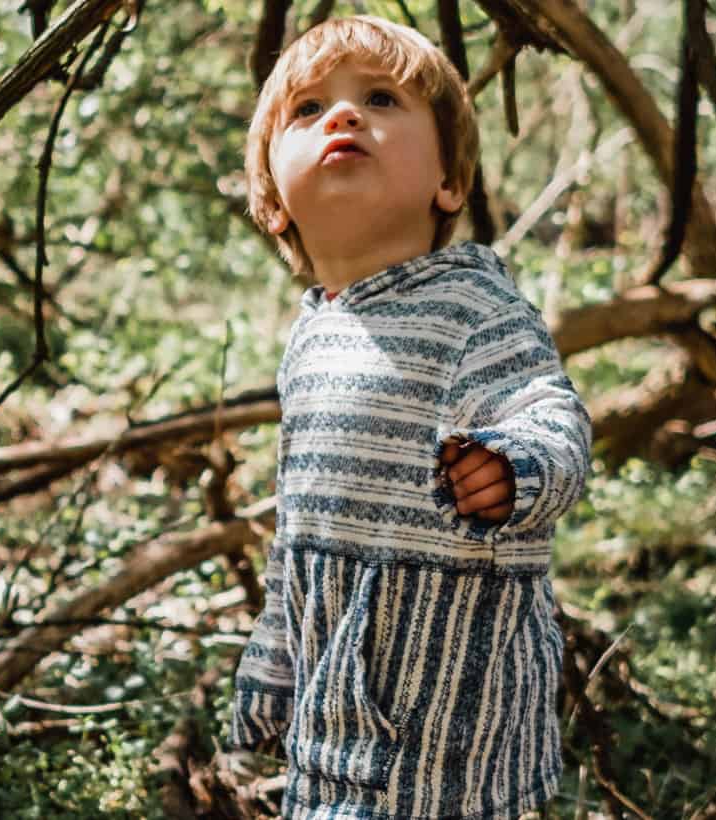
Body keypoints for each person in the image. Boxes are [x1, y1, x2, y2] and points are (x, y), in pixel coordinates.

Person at [226, 15, 592, 819]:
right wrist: (273, 658)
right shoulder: (312, 335)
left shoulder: (472, 304)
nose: (344, 117)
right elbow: (299, 530)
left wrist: (515, 466)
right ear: (272, 201)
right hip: (334, 726)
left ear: (449, 183)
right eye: (309, 109)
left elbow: (550, 413)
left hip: (457, 731)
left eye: (381, 99)